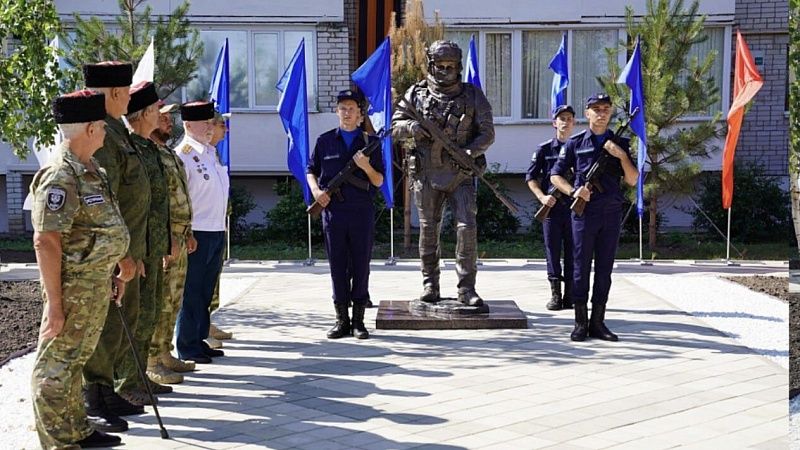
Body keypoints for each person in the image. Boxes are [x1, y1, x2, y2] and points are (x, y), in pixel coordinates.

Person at [30, 89, 129, 449]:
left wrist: (114, 268)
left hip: (95, 284)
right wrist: (55, 305)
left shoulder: (92, 170)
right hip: (71, 289)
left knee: (75, 361)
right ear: (88, 128)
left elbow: (101, 226)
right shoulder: (60, 176)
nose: (105, 131)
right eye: (101, 126)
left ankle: (77, 428)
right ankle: (58, 441)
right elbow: (46, 241)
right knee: (55, 366)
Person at [391, 40, 495, 306]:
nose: (445, 70)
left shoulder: (473, 96)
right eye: (440, 65)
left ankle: (466, 289)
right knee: (428, 229)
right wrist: (412, 128)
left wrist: (469, 153)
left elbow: (487, 132)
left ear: (459, 66)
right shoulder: (415, 94)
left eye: (450, 66)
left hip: (460, 175)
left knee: (467, 228)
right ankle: (430, 285)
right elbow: (395, 126)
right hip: (425, 173)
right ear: (431, 65)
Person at [81, 61, 150, 430]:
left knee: (122, 324)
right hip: (111, 251)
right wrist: (121, 253)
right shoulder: (102, 135)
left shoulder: (116, 131)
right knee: (106, 324)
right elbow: (106, 199)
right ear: (114, 93)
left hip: (128, 248)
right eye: (124, 92)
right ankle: (92, 397)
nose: (128, 98)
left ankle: (106, 390)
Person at [550, 93, 639, 342]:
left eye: (606, 109)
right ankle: (580, 322)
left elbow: (632, 179)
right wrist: (574, 191)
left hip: (610, 212)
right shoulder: (575, 144)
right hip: (584, 214)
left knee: (604, 269)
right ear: (587, 113)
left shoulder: (620, 142)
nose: (601, 113)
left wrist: (620, 156)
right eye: (596, 109)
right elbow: (555, 176)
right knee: (579, 267)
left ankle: (598, 323)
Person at [306, 89, 384, 340]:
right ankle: (342, 320)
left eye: (351, 108)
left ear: (360, 114)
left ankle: (359, 322)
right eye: (342, 108)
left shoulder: (370, 143)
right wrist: (316, 191)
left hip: (361, 212)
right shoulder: (325, 141)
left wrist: (365, 166)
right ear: (337, 112)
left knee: (361, 265)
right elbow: (311, 170)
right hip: (334, 213)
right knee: (338, 266)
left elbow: (379, 180)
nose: (346, 112)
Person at [116, 81, 173, 399]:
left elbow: (157, 201)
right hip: (136, 247)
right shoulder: (128, 147)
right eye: (155, 110)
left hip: (152, 247)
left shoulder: (149, 147)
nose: (161, 116)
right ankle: (126, 383)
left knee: (148, 313)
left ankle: (139, 375)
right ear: (142, 113)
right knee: (134, 316)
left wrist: (163, 244)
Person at [174, 101, 230, 363]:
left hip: (216, 229)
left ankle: (199, 339)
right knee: (192, 292)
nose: (210, 127)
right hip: (196, 231)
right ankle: (187, 344)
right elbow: (180, 198)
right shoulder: (184, 155)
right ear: (187, 125)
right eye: (205, 122)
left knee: (206, 290)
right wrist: (185, 233)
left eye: (211, 122)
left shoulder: (209, 153)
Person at [148, 101, 198, 383]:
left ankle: (165, 351)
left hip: (179, 236)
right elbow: (158, 202)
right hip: (167, 240)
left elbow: (180, 197)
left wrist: (187, 232)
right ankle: (152, 360)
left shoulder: (167, 152)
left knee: (174, 299)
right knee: (161, 300)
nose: (169, 122)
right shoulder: (150, 153)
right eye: (164, 117)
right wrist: (169, 239)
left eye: (169, 118)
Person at [526, 105, 575, 311]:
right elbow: (531, 177)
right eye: (561, 118)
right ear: (554, 123)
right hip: (552, 209)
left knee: (575, 252)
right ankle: (555, 294)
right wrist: (542, 197)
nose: (565, 121)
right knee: (553, 252)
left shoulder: (579, 148)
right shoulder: (544, 149)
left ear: (574, 123)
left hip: (574, 209)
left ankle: (571, 294)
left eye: (569, 118)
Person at [207, 111, 234, 349]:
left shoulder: (212, 154)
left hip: (216, 225)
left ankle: (207, 321)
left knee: (212, 281)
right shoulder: (191, 155)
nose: (226, 130)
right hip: (202, 228)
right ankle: (197, 328)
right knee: (198, 286)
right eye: (221, 125)